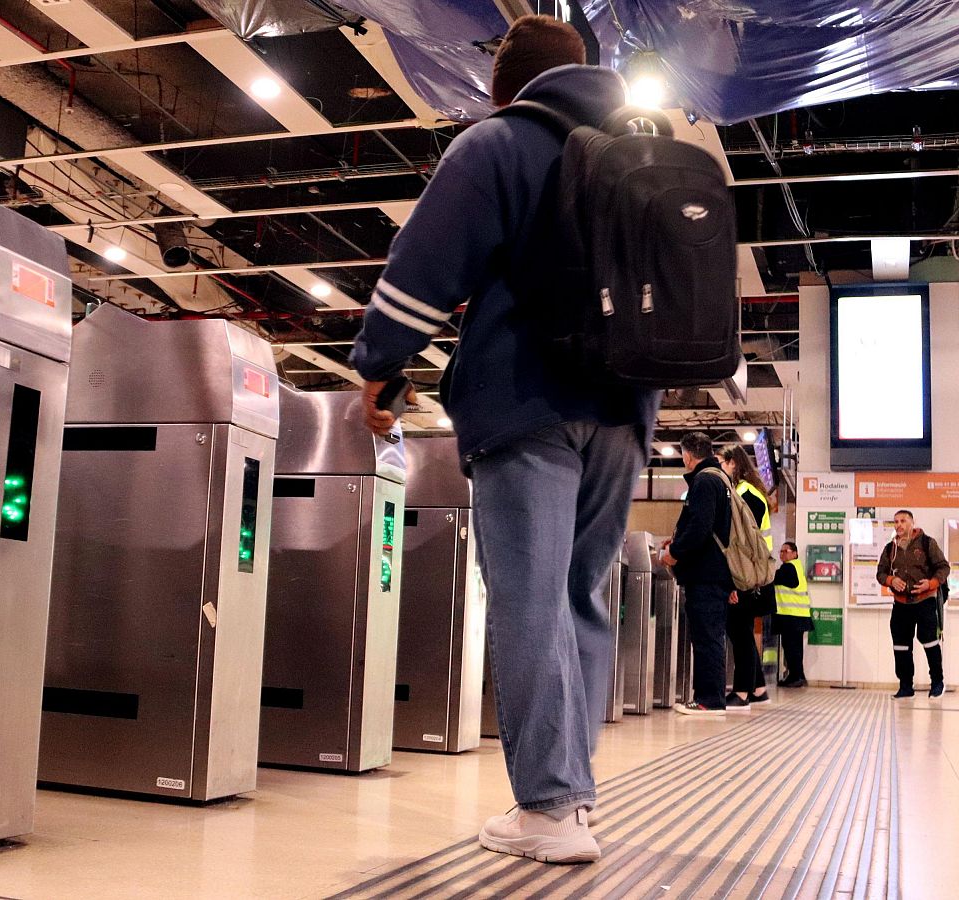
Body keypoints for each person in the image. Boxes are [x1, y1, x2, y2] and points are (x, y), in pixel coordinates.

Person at [350, 15, 660, 866]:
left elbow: (421, 273)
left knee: (527, 597)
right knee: (581, 597)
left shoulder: (502, 142)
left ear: (503, 82)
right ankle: (576, 799)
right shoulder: (646, 152)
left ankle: (552, 807)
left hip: (526, 401)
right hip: (626, 410)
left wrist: (378, 369)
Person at [662, 432, 733, 717]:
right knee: (710, 637)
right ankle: (709, 696)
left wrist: (674, 552)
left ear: (688, 455)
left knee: (706, 639)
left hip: (705, 574)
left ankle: (709, 699)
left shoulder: (704, 481)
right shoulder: (720, 480)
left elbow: (699, 528)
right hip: (714, 574)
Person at [717, 445, 772, 709]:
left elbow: (741, 540)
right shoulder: (750, 492)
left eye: (721, 462)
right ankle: (758, 688)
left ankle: (741, 692)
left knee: (739, 632)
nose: (719, 468)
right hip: (753, 572)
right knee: (743, 632)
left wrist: (735, 579)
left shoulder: (744, 495)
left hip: (747, 573)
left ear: (733, 463)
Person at [876, 510, 950, 699]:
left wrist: (931, 583)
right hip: (900, 604)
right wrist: (891, 580)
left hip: (925, 601)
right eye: (896, 522)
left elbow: (943, 567)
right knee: (900, 646)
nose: (898, 525)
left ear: (912, 522)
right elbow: (881, 573)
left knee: (930, 642)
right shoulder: (889, 548)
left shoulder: (927, 542)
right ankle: (906, 686)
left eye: (903, 521)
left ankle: (937, 683)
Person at [773, 541, 811, 687]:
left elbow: (772, 578)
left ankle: (796, 677)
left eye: (786, 551)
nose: (782, 554)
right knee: (795, 647)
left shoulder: (789, 568)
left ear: (794, 553)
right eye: (781, 551)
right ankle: (797, 675)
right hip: (797, 615)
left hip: (791, 615)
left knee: (791, 648)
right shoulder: (797, 566)